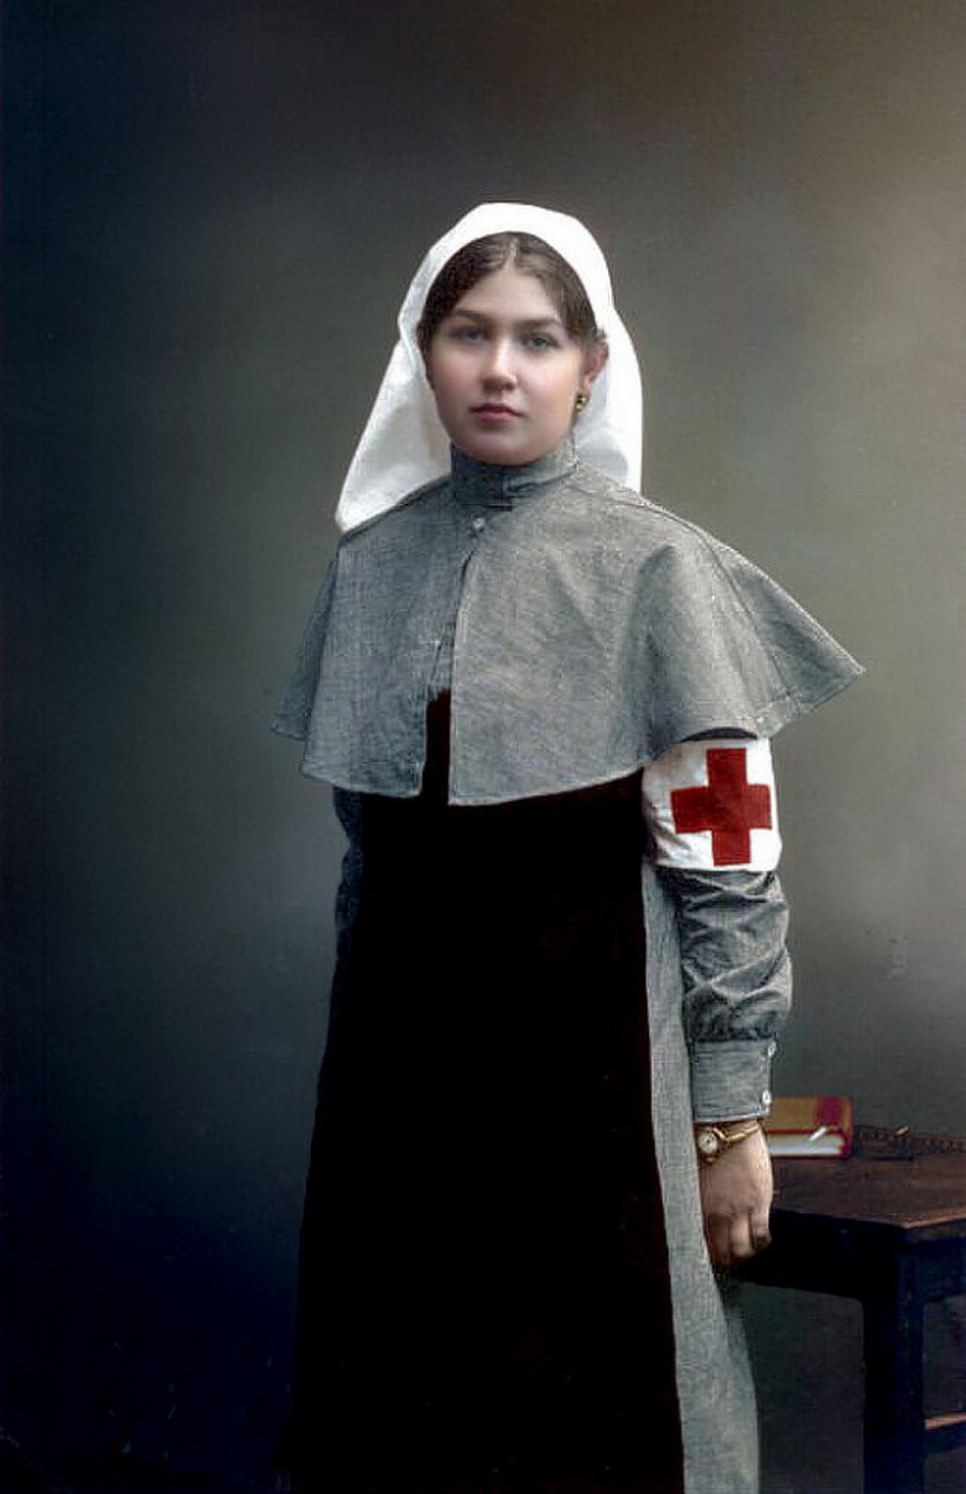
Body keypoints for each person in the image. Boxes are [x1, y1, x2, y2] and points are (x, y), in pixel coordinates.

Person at [273, 203, 861, 1494]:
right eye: (469, 334)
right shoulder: (369, 569)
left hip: (591, 1084)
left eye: (538, 340)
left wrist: (727, 1119)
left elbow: (729, 866)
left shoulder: (659, 572)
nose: (500, 370)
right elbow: (365, 860)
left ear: (591, 365)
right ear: (423, 355)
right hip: (396, 1088)